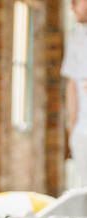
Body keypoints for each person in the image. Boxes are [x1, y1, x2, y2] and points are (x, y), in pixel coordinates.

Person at [62, 0, 87, 186]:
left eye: (75, 2)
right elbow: (72, 85)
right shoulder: (76, 38)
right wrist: (73, 129)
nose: (72, 8)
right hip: (82, 131)